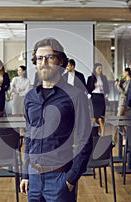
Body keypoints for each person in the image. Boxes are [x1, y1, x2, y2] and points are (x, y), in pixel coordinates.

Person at [20, 37, 93, 202]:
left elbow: (85, 140)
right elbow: (30, 137)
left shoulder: (76, 96)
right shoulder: (30, 97)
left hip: (60, 178)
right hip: (33, 177)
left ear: (60, 61)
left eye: (49, 57)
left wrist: (71, 179)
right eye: (39, 58)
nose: (43, 62)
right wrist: (25, 173)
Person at [86, 63, 109, 136]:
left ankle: (103, 133)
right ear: (95, 69)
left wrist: (106, 95)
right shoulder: (90, 78)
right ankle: (95, 133)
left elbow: (107, 88)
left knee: (101, 118)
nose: (100, 70)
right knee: (94, 118)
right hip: (94, 98)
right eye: (99, 68)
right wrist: (89, 96)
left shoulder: (104, 78)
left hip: (101, 97)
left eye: (101, 68)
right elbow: (88, 89)